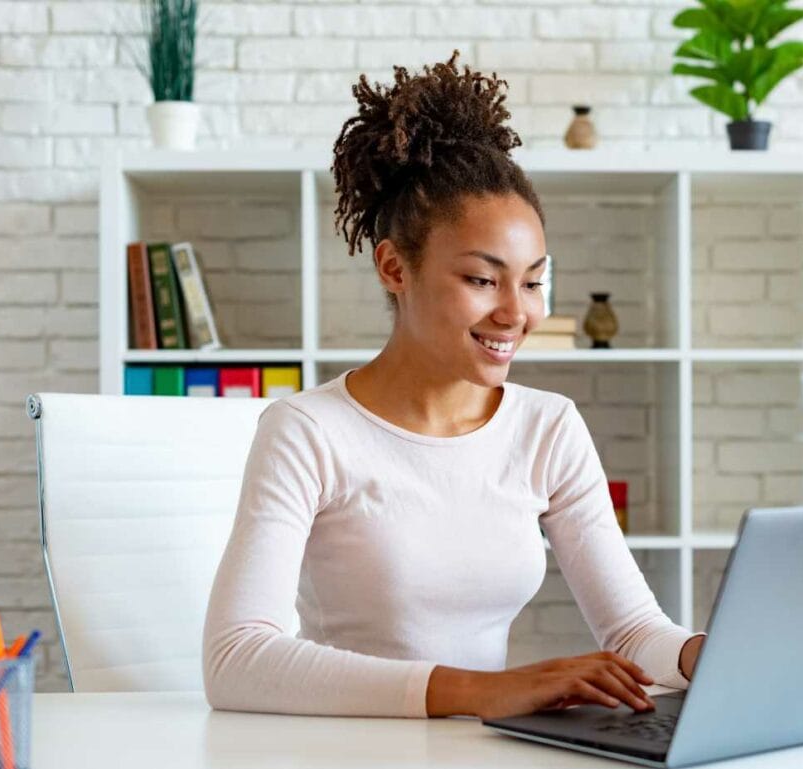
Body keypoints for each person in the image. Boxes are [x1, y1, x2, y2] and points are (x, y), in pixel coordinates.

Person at [202, 50, 705, 720]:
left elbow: (634, 633)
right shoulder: (309, 431)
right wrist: (482, 690)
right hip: (341, 762)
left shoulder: (547, 426)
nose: (516, 312)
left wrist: (710, 653)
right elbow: (238, 657)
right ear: (394, 267)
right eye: (480, 278)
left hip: (480, 762)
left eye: (531, 281)